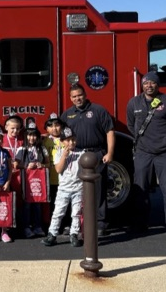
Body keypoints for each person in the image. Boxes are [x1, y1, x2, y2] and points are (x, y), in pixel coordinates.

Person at [126, 71, 166, 238]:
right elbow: (130, 125)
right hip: (143, 153)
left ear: (157, 85)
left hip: (164, 153)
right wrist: (141, 141)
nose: (149, 86)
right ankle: (140, 223)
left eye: (152, 83)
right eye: (146, 83)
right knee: (140, 189)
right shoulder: (134, 103)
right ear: (142, 85)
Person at [60, 83, 115, 236]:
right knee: (75, 190)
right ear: (70, 98)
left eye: (80, 95)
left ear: (85, 95)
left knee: (98, 189)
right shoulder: (67, 115)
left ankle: (100, 223)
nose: (78, 98)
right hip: (75, 155)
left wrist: (109, 153)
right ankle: (75, 223)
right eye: (74, 96)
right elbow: (60, 136)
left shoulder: (98, 110)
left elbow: (110, 132)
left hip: (96, 154)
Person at [42, 127, 84, 247]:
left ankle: (74, 234)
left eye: (73, 140)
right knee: (58, 212)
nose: (71, 143)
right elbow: (58, 169)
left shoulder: (81, 153)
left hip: (78, 187)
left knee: (76, 212)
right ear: (62, 141)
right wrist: (64, 157)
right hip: (64, 188)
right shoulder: (59, 153)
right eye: (68, 140)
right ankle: (52, 234)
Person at [15, 121, 49, 238]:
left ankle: (38, 226)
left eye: (34, 135)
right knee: (27, 204)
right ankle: (26, 227)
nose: (31, 137)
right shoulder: (22, 148)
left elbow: (48, 164)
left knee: (38, 204)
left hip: (39, 182)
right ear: (25, 136)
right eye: (29, 135)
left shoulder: (42, 149)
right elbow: (15, 164)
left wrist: (42, 165)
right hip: (26, 181)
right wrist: (25, 166)